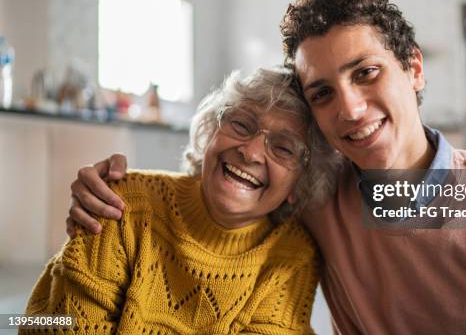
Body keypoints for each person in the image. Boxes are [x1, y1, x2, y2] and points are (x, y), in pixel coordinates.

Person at [67, 0, 466, 333]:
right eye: (322, 92)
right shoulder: (318, 194)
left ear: (414, 69)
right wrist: (111, 189)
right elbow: (38, 318)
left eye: (366, 72)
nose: (349, 108)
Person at [23, 67, 340, 334]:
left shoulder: (291, 254)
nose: (251, 151)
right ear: (211, 131)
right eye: (241, 124)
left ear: (301, 183)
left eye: (284, 148)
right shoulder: (122, 205)